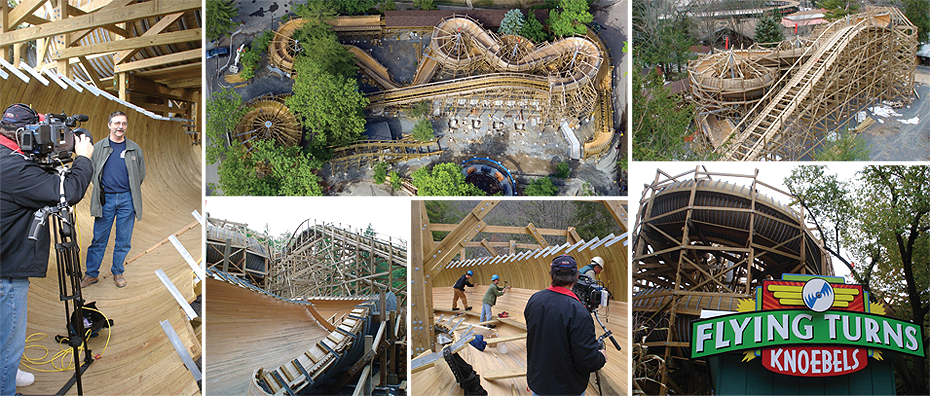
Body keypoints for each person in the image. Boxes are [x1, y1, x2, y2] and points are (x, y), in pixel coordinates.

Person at [1, 103, 94, 396]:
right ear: (24, 133)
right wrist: (84, 159)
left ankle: (8, 371)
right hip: (6, 272)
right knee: (9, 343)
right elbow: (68, 192)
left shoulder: (8, 156)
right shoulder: (14, 169)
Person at [525, 255, 607, 396]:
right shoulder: (579, 312)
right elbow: (586, 361)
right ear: (576, 277)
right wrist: (601, 357)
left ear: (552, 277)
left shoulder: (534, 300)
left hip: (539, 383)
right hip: (566, 389)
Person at [81, 111, 145, 289]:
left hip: (127, 199)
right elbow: (91, 171)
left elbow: (140, 174)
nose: (120, 127)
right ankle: (91, 274)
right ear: (109, 125)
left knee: (123, 240)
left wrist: (127, 189)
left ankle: (118, 271)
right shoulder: (99, 147)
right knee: (99, 239)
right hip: (105, 199)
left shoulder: (134, 149)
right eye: (116, 123)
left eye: (123, 123)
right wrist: (104, 189)